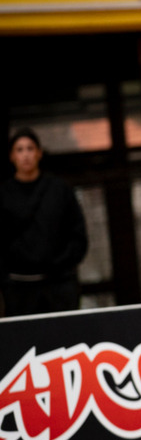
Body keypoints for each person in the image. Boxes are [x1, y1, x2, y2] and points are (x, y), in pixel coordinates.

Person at [1, 128, 88, 317]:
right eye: (20, 149)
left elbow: (78, 234)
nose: (26, 155)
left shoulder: (59, 189)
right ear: (11, 156)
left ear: (39, 153)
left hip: (60, 284)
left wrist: (61, 263)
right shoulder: (4, 195)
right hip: (19, 288)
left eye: (30, 148)